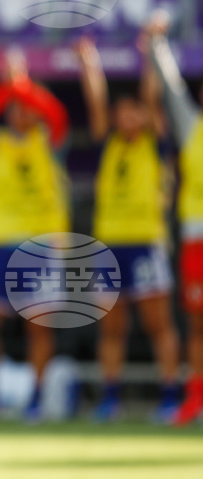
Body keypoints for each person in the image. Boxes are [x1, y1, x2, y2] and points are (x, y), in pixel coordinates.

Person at [76, 36, 181, 422]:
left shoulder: (154, 143)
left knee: (158, 324)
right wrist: (89, 63)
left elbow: (152, 97)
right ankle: (110, 396)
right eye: (122, 113)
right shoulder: (110, 143)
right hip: (109, 244)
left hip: (146, 242)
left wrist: (149, 53)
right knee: (112, 327)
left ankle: (170, 394)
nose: (127, 117)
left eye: (133, 112)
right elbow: (96, 104)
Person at [0, 51, 71, 421]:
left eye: (25, 106)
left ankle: (37, 398)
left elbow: (57, 114)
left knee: (38, 328)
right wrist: (8, 87)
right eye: (13, 107)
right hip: (0, 243)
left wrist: (21, 85)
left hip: (40, 245)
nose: (18, 113)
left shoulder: (50, 140)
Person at [144, 12, 203, 425]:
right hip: (197, 238)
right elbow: (171, 87)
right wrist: (156, 43)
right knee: (197, 324)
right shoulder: (192, 128)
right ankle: (195, 398)